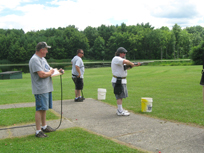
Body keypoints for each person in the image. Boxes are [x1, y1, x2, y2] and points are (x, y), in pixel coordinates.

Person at [29, 42, 64, 138]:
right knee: (40, 108)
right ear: (42, 50)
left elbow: (49, 70)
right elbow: (42, 74)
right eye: (46, 49)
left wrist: (58, 71)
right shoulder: (35, 60)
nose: (47, 51)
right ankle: (38, 131)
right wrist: (50, 72)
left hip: (47, 87)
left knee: (44, 108)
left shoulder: (42, 59)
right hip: (40, 89)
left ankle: (44, 126)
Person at [111, 47, 141, 116]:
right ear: (120, 53)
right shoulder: (117, 58)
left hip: (122, 80)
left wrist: (135, 65)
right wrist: (131, 63)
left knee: (121, 96)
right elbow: (126, 62)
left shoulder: (120, 60)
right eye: (123, 53)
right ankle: (120, 111)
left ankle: (120, 109)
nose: (124, 54)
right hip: (118, 80)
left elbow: (127, 67)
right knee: (119, 96)